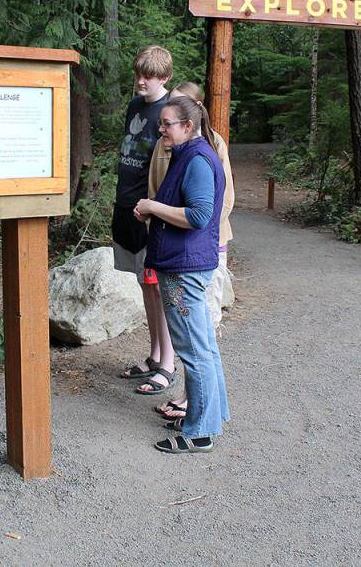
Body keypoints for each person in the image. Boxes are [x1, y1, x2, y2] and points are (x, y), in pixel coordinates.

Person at [134, 96, 229, 453]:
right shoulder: (187, 154)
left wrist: (152, 206)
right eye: (161, 123)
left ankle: (199, 432)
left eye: (167, 124)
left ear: (188, 126)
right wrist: (154, 211)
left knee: (194, 350)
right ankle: (211, 416)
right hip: (184, 262)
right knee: (204, 347)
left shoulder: (198, 160)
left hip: (184, 268)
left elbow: (199, 216)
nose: (161, 129)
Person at [113, 45, 176, 396]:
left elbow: (172, 166)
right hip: (126, 205)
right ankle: (154, 355)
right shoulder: (135, 106)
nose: (141, 81)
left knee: (157, 286)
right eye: (139, 74)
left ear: (164, 78)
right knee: (144, 283)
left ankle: (168, 363)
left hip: (149, 211)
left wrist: (155, 207)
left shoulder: (169, 111)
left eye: (148, 76)